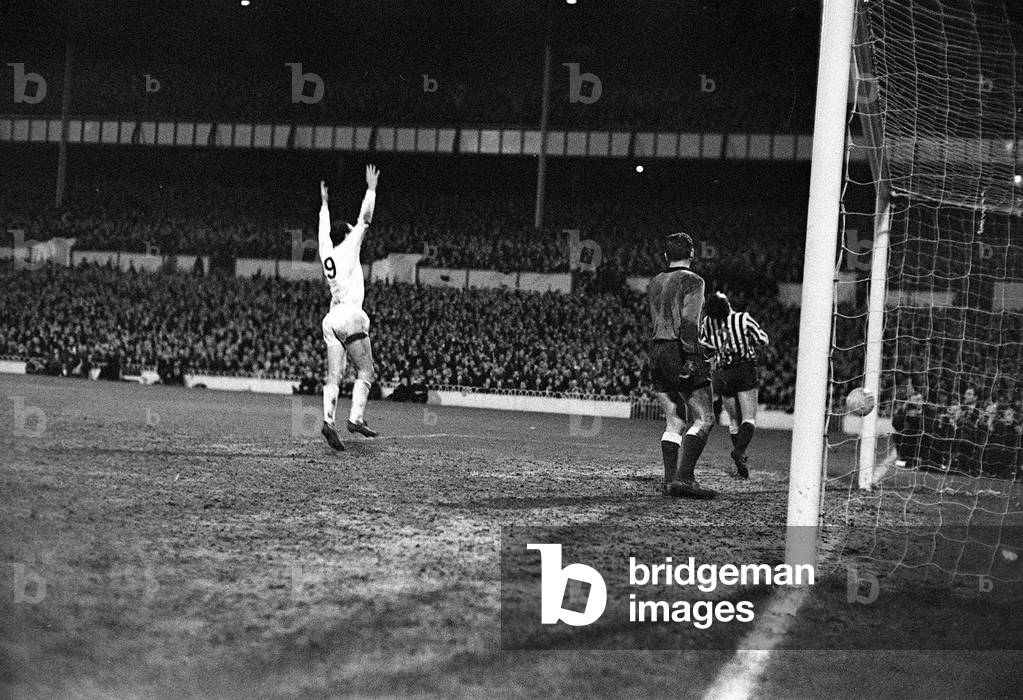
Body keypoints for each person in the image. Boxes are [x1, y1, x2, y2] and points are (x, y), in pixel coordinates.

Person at [647, 232, 717, 499]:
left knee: (674, 419)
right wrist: (692, 355)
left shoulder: (655, 281)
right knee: (705, 418)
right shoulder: (693, 281)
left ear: (666, 256)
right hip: (680, 350)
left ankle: (669, 481)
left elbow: (661, 320)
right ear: (692, 254)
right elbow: (688, 323)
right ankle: (685, 478)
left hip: (657, 351)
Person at [317, 165, 380, 451]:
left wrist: (324, 205)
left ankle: (328, 421)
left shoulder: (327, 252)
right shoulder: (349, 245)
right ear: (347, 235)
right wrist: (371, 189)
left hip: (331, 319)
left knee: (334, 375)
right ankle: (355, 418)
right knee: (366, 371)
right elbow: (365, 219)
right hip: (351, 315)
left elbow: (323, 233)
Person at [700, 291, 769, 478]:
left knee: (732, 419)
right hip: (744, 369)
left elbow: (703, 343)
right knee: (748, 418)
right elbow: (763, 339)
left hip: (722, 373)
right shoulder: (743, 319)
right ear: (727, 303)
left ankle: (739, 460)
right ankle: (740, 450)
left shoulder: (707, 323)